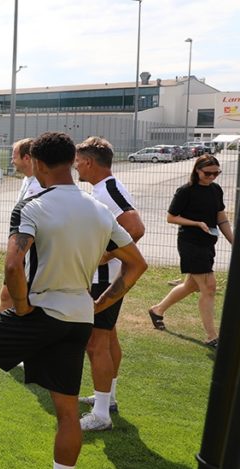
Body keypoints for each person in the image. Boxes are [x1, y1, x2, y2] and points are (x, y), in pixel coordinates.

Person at [0, 132, 147, 469]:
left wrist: (21, 308)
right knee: (67, 413)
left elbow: (14, 265)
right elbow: (137, 264)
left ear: (37, 163)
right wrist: (100, 304)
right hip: (79, 319)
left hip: (42, 313)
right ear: (71, 162)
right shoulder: (99, 210)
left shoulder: (32, 205)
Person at [74, 137, 145, 431]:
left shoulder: (109, 190)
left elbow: (135, 226)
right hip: (103, 279)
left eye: (78, 160)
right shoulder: (103, 189)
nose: (75, 166)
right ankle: (108, 398)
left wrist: (105, 256)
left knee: (96, 343)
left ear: (89, 162)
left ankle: (101, 415)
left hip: (104, 281)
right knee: (108, 338)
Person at [149, 154, 234, 348]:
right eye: (208, 173)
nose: (212, 177)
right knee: (209, 287)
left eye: (216, 173)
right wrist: (196, 223)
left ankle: (157, 310)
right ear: (197, 170)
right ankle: (212, 336)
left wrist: (233, 242)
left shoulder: (216, 190)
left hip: (208, 243)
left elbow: (221, 218)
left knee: (191, 286)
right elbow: (171, 217)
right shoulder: (185, 191)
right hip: (190, 243)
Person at [0, 138, 42, 311]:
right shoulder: (27, 180)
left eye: (14, 155)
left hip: (32, 253)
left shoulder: (41, 185)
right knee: (7, 294)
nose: (11, 160)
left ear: (27, 158)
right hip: (20, 251)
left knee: (26, 299)